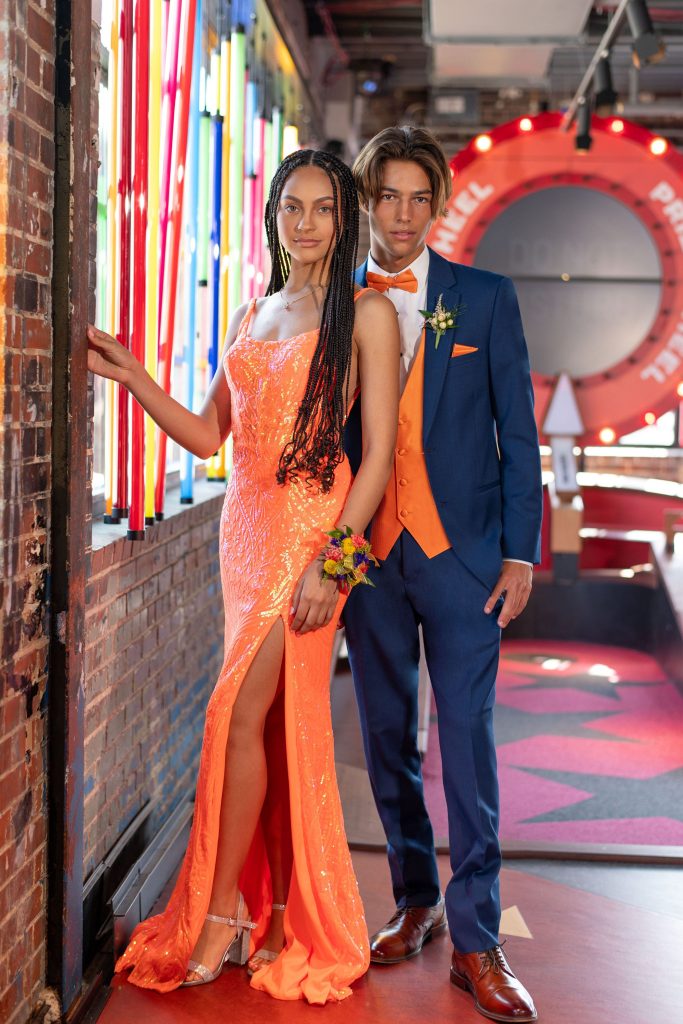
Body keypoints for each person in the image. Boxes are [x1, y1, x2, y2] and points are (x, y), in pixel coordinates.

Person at [86, 149, 400, 1004]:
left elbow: (373, 461)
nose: (305, 224)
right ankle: (258, 910)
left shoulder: (367, 315)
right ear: (273, 217)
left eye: (323, 209)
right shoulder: (246, 313)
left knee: (233, 712)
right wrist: (133, 377)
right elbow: (205, 440)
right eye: (292, 208)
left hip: (308, 532)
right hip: (243, 531)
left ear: (345, 220)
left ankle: (223, 912)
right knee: (261, 726)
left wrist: (334, 566)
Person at [342, 126, 542, 1023]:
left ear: (439, 202)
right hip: (370, 560)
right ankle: (415, 898)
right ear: (365, 202)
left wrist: (518, 549)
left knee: (466, 741)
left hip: (463, 558)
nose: (400, 213)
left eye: (417, 197)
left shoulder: (485, 299)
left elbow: (518, 433)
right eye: (385, 196)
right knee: (387, 736)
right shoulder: (334, 301)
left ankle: (476, 938)